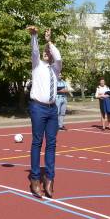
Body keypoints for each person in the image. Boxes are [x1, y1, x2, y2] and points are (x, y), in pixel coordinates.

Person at [26, 26, 62, 199]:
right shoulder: (37, 65)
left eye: (49, 51)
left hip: (52, 109)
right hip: (38, 107)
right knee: (37, 142)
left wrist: (49, 42)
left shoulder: (56, 69)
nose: (47, 53)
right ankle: (34, 179)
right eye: (45, 51)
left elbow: (59, 57)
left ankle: (49, 178)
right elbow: (34, 50)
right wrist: (35, 36)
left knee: (52, 144)